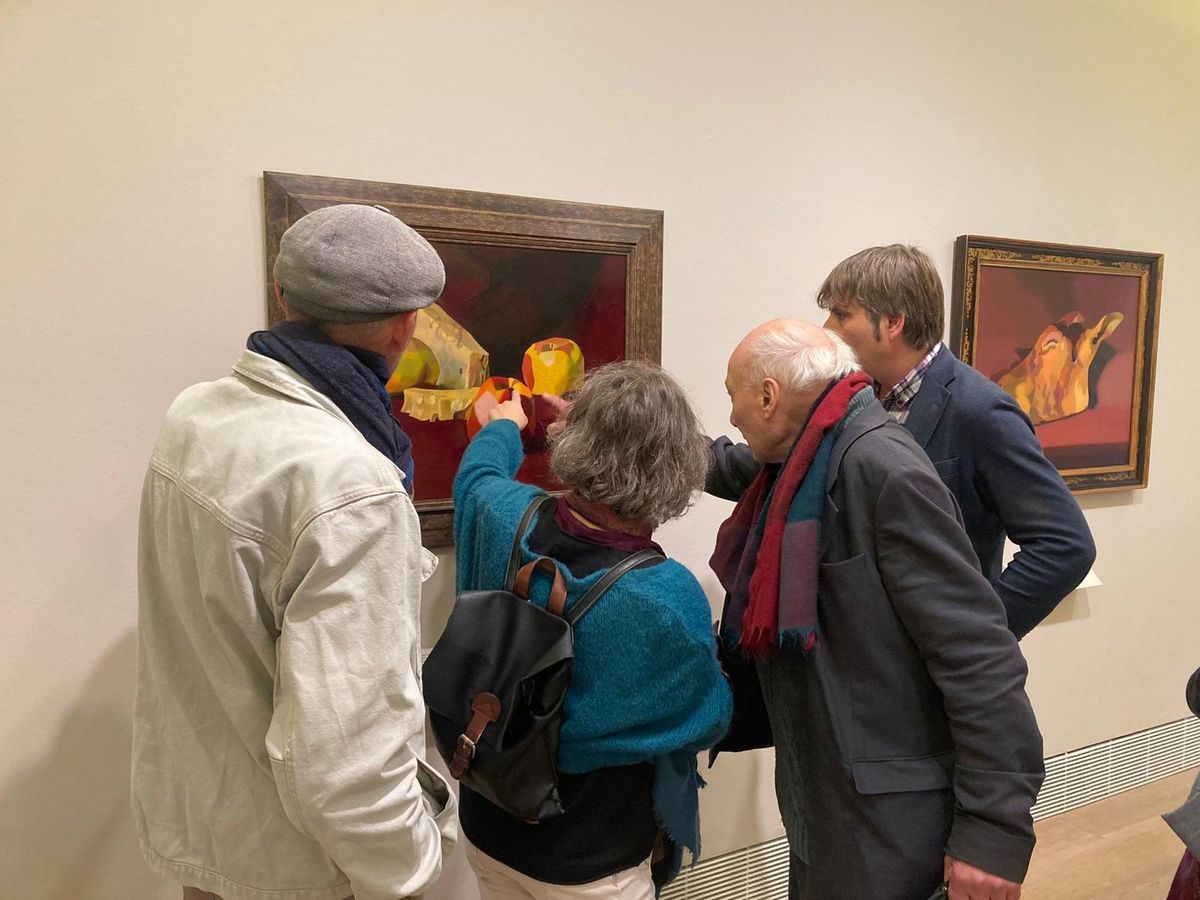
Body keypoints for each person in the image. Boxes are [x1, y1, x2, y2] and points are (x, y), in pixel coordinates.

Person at [133, 204, 457, 900]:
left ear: (283, 298)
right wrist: (409, 869)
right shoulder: (351, 484)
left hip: (211, 831)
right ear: (406, 327)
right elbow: (344, 758)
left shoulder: (194, 414)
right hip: (304, 868)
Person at [710, 319, 1045, 900]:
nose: (733, 415)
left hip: (888, 820)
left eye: (731, 394)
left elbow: (982, 660)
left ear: (767, 396)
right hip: (834, 796)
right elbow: (731, 465)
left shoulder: (880, 469)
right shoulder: (809, 456)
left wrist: (992, 835)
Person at [709, 244, 1095, 639]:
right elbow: (780, 472)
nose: (827, 328)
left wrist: (975, 635)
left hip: (928, 677)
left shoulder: (981, 412)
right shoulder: (847, 395)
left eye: (842, 314)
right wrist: (670, 449)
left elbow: (1064, 546)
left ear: (892, 322)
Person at [453, 361, 733, 900]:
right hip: (589, 855)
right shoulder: (666, 597)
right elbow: (708, 716)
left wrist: (505, 423)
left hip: (489, 819)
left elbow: (477, 478)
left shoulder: (500, 514)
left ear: (570, 441)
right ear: (677, 469)